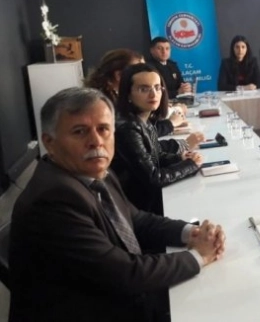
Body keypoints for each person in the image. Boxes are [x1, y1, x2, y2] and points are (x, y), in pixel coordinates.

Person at [9, 87, 225, 322]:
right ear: (50, 143)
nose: (96, 141)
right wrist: (199, 255)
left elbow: (137, 220)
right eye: (80, 131)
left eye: (103, 129)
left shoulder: (96, 171)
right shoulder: (52, 200)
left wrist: (191, 233)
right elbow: (126, 274)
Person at [111, 64, 202, 216]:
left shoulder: (144, 119)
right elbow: (154, 178)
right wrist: (190, 165)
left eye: (157, 88)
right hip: (141, 209)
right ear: (128, 94)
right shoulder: (127, 128)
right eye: (144, 89)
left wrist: (180, 157)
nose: (153, 94)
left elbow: (155, 155)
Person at [85, 48, 204, 149]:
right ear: (119, 75)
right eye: (138, 69)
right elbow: (139, 137)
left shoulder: (114, 95)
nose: (145, 73)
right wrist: (172, 125)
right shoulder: (103, 105)